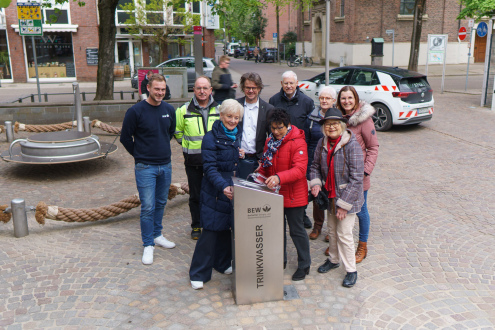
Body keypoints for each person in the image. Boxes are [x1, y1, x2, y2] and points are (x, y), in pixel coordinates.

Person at [120, 74, 176, 265]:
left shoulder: (169, 109)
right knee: (148, 207)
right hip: (145, 167)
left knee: (161, 202)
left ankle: (158, 234)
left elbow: (169, 133)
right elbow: (125, 138)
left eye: (163, 89)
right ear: (148, 89)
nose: (160, 92)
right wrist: (140, 154)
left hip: (165, 165)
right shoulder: (135, 111)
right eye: (156, 89)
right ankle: (148, 244)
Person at [189, 99, 244, 290]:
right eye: (229, 116)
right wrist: (223, 187)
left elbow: (232, 161)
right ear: (221, 116)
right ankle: (198, 273)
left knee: (225, 228)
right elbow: (210, 168)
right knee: (211, 232)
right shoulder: (210, 138)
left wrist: (240, 155)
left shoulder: (235, 136)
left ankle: (221, 263)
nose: (233, 121)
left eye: (236, 117)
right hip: (215, 190)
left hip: (231, 188)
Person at [309, 108, 364, 288]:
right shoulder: (322, 143)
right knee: (331, 231)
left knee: (344, 234)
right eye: (327, 124)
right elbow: (315, 166)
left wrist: (344, 205)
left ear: (341, 125)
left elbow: (357, 178)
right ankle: (333, 260)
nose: (331, 127)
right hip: (330, 196)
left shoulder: (351, 144)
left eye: (334, 124)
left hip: (347, 198)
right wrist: (316, 183)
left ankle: (351, 270)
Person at [257, 108, 311, 281]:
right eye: (273, 128)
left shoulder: (298, 142)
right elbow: (266, 164)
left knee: (297, 231)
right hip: (275, 194)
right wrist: (260, 174)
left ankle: (304, 265)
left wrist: (279, 177)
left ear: (287, 125)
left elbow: (300, 170)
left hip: (294, 195)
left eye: (280, 128)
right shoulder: (270, 141)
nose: (276, 132)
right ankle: (280, 261)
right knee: (276, 231)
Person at [336, 86, 379, 263]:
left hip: (358, 176)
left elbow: (373, 147)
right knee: (340, 207)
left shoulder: (364, 121)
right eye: (343, 98)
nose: (346, 101)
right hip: (340, 175)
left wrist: (365, 171)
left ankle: (362, 245)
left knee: (361, 211)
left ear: (355, 99)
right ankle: (340, 242)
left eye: (350, 98)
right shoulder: (338, 118)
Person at [175, 76, 220, 240]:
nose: (202, 91)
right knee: (195, 195)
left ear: (210, 90)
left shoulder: (220, 109)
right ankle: (197, 225)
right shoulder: (183, 110)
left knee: (213, 194)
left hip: (214, 162)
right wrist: (187, 146)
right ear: (193, 90)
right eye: (198, 88)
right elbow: (178, 131)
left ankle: (211, 223)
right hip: (193, 162)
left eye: (205, 88)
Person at [269, 70, 315, 229]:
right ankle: (282, 212)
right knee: (282, 181)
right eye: (286, 83)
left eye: (291, 83)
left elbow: (310, 127)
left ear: (297, 84)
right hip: (279, 149)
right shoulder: (274, 100)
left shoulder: (307, 102)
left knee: (298, 183)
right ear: (281, 84)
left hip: (298, 147)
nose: (288, 86)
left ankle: (301, 213)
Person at [306, 86, 337, 244]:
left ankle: (331, 229)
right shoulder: (312, 117)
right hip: (315, 161)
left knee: (332, 195)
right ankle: (318, 225)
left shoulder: (338, 117)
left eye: (327, 98)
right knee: (316, 193)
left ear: (334, 100)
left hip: (333, 162)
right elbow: (307, 139)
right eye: (322, 98)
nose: (324, 101)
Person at [236, 72, 273, 179]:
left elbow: (271, 138)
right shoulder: (236, 105)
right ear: (243, 88)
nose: (251, 91)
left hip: (258, 160)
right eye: (247, 87)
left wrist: (264, 160)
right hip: (238, 159)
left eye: (254, 88)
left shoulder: (268, 109)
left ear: (259, 88)